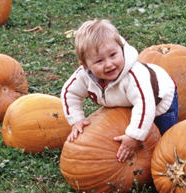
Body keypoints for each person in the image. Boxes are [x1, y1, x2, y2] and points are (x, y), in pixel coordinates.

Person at [61, 19, 179, 163]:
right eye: (99, 61)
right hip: (129, 102)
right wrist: (76, 119)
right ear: (85, 65)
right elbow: (69, 92)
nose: (109, 64)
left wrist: (134, 136)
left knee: (164, 139)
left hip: (158, 99)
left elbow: (145, 105)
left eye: (113, 55)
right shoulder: (83, 76)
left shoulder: (134, 78)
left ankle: (169, 158)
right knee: (136, 121)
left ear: (121, 49)